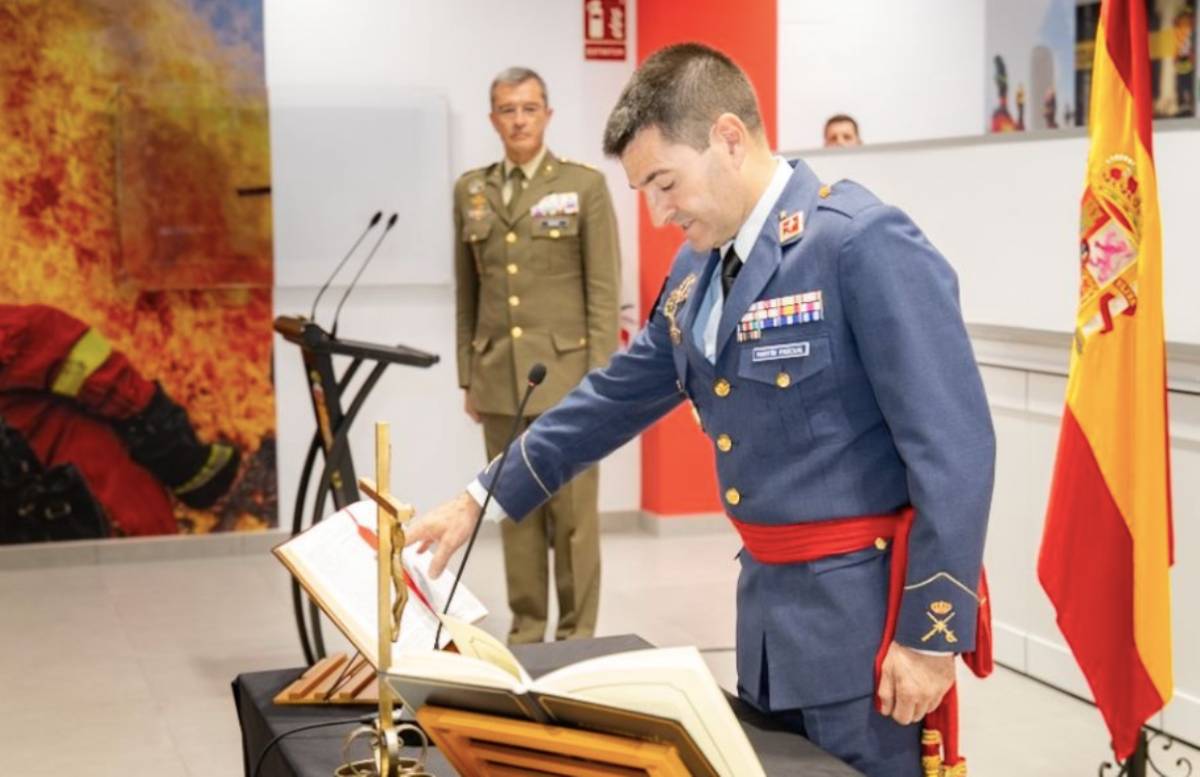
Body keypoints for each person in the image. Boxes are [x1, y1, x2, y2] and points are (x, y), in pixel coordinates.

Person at [419, 44, 994, 776]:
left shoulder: (856, 242)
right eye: (644, 191)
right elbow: (614, 396)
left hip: (866, 636)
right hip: (765, 623)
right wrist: (480, 496)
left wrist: (930, 636)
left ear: (728, 138)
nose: (657, 213)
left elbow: (957, 450)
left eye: (664, 182)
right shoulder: (698, 269)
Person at [452, 67, 621, 644]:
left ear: (547, 114)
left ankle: (577, 635)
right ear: (492, 119)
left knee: (573, 517)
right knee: (513, 511)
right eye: (507, 109)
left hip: (569, 378)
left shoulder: (583, 185)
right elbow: (467, 292)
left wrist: (602, 383)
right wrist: (467, 375)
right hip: (500, 379)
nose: (518, 119)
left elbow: (603, 290)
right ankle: (526, 629)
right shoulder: (470, 191)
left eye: (529, 108)